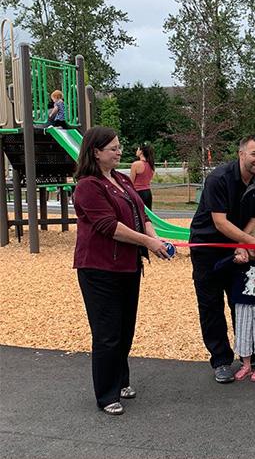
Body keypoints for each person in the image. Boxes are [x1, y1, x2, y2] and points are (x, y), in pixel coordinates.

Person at [73, 126, 171, 416]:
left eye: (119, 147)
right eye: (113, 148)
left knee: (125, 327)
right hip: (99, 268)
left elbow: (142, 213)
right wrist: (149, 243)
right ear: (96, 152)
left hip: (127, 265)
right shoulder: (87, 186)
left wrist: (156, 238)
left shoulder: (119, 179)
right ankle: (106, 394)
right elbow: (109, 227)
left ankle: (121, 380)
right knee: (107, 332)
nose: (119, 152)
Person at [189, 135, 255, 384]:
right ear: (241, 154)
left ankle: (250, 353)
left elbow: (252, 219)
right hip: (207, 247)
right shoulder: (219, 178)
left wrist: (242, 245)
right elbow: (220, 221)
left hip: (236, 244)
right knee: (211, 304)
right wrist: (251, 243)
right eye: (254, 154)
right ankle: (221, 360)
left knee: (243, 301)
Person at [212, 228, 255, 383]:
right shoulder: (240, 259)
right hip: (241, 304)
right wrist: (233, 258)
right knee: (243, 335)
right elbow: (217, 268)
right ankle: (246, 365)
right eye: (253, 245)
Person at [130, 143, 155, 209]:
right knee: (147, 216)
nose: (136, 151)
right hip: (148, 192)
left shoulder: (136, 164)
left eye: (138, 149)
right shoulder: (151, 165)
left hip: (138, 193)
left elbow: (131, 182)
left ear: (141, 152)